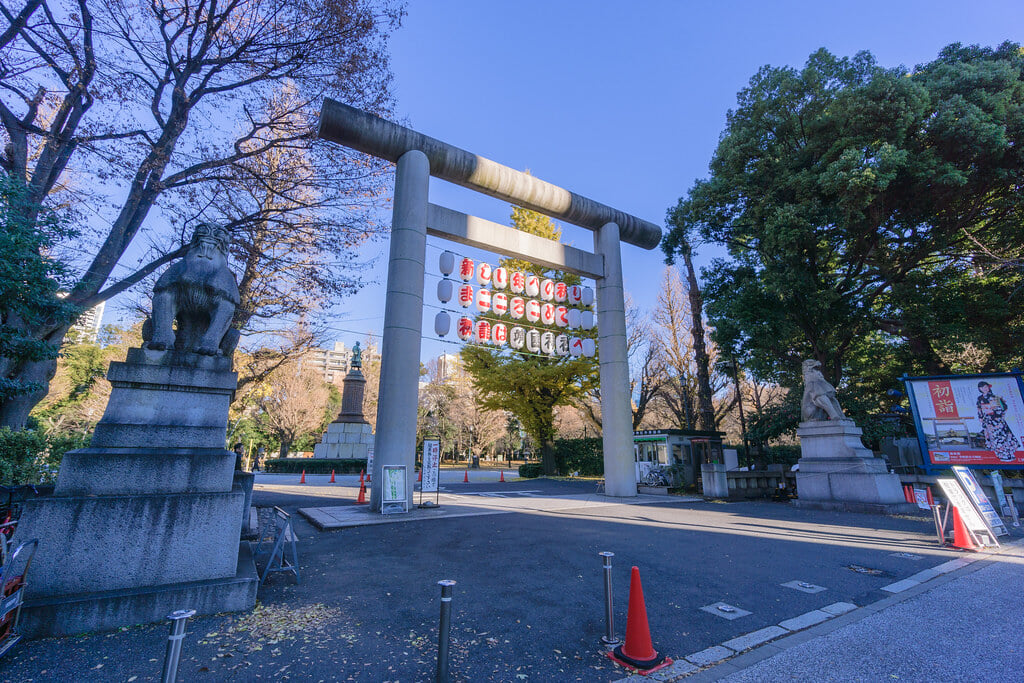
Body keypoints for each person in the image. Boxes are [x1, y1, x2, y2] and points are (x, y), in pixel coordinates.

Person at [977, 381, 1018, 462]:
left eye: (986, 387)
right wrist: (981, 417)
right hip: (988, 420)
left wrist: (997, 413)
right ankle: (1000, 455)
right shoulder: (980, 398)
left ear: (988, 387)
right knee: (993, 438)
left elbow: (1003, 407)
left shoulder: (995, 397)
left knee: (1002, 437)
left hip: (997, 420)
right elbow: (979, 409)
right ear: (979, 389)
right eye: (982, 387)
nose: (984, 389)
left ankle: (1008, 455)